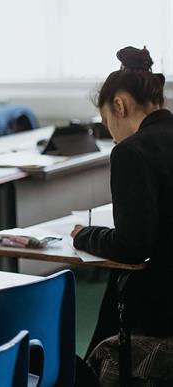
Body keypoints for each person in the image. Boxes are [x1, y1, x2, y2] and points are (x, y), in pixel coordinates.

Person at [70, 46, 171, 382]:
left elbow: (133, 246)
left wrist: (85, 235)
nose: (110, 133)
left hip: (161, 303)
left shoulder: (131, 152)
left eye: (106, 122)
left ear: (119, 105)